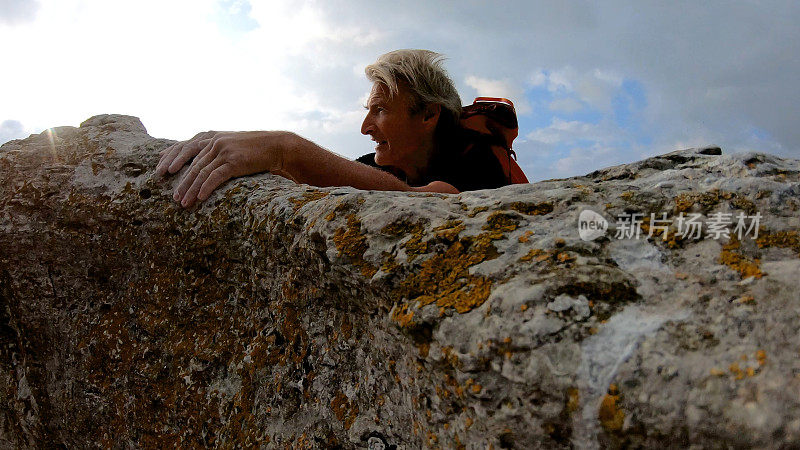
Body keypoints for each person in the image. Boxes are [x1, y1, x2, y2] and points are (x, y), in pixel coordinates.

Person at [156, 49, 513, 208]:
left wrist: (285, 148)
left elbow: (434, 205)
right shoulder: (376, 166)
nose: (365, 127)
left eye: (380, 110)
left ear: (428, 115)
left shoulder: (477, 154)